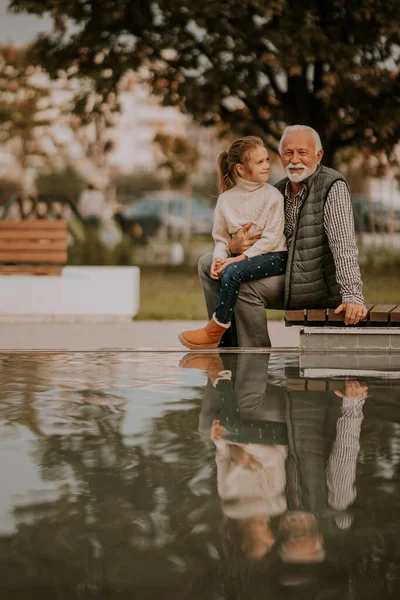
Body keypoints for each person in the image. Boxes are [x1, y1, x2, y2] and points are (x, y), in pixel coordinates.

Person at [198, 125, 368, 347]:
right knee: (206, 262)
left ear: (319, 156)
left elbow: (343, 245)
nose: (294, 159)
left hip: (316, 283)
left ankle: (255, 361)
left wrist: (352, 296)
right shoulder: (276, 190)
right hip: (285, 271)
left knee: (245, 285)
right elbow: (257, 240)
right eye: (288, 153)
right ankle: (225, 342)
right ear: (280, 156)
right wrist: (232, 245)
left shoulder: (331, 186)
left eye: (302, 153)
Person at [179, 136, 288, 349]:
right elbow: (220, 239)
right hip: (242, 259)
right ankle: (226, 342)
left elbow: (272, 239)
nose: (267, 165)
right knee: (223, 268)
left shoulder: (273, 196)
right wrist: (220, 260)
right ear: (240, 169)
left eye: (267, 160)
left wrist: (238, 259)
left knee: (234, 271)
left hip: (275, 257)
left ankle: (216, 329)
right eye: (259, 162)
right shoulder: (226, 200)